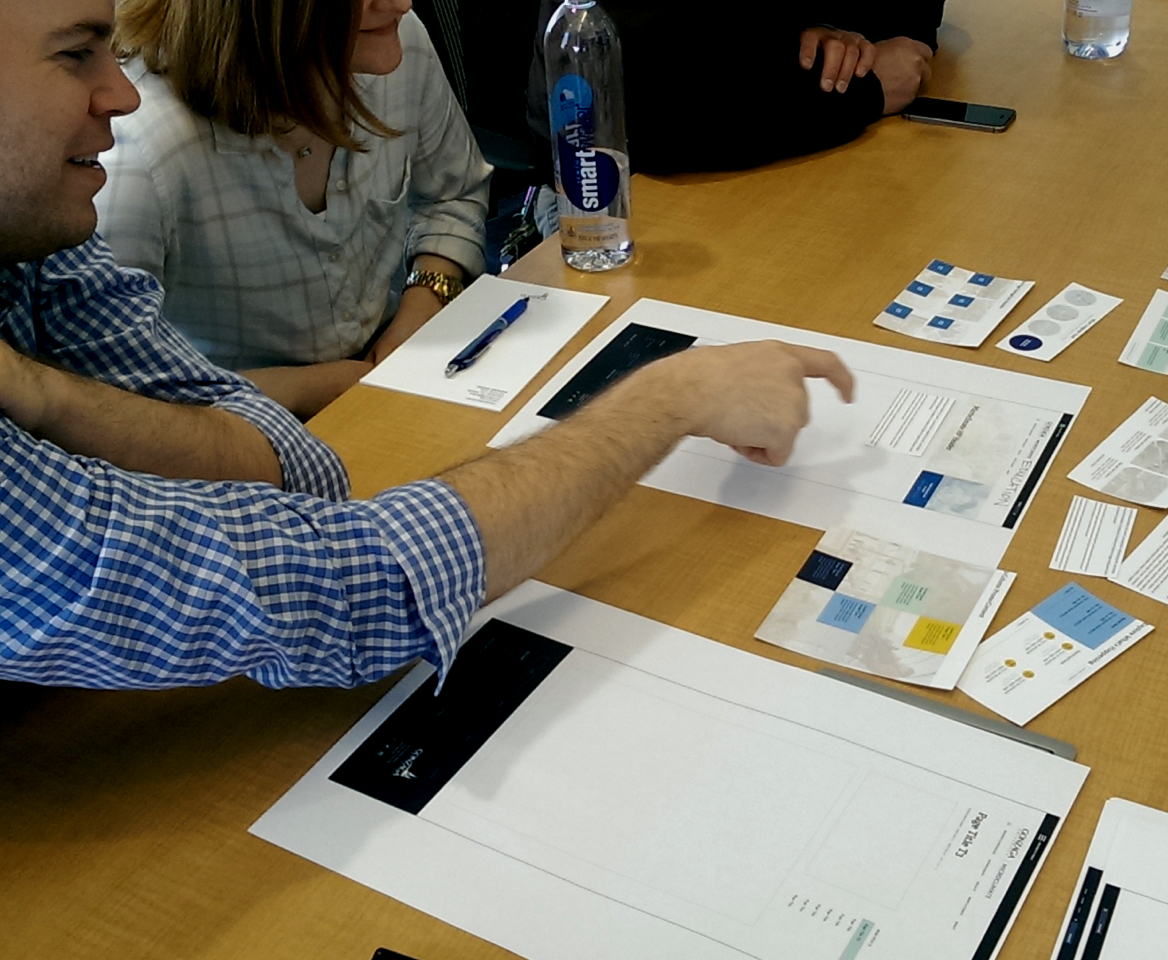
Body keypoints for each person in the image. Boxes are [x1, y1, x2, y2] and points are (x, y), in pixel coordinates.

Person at [1, 0, 854, 691]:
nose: (117, 94)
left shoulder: (37, 242)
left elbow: (304, 469)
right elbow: (344, 593)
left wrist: (50, 398)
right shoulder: (124, 170)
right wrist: (667, 401)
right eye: (76, 55)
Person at [95, 0, 490, 419]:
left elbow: (452, 194)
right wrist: (331, 386)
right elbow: (115, 401)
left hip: (392, 372)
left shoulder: (391, 40)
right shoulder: (138, 155)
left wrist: (421, 306)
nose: (402, 3)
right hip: (233, 431)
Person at [524, 0, 943, 174]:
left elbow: (910, 22)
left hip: (770, 142)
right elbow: (667, 120)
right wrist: (865, 87)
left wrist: (832, 32)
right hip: (607, 200)